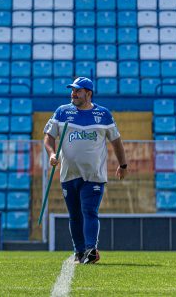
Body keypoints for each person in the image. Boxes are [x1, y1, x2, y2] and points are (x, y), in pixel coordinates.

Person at [43, 76, 128, 264]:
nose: (73, 93)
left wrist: (123, 165)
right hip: (68, 174)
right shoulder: (62, 112)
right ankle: (79, 251)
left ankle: (91, 249)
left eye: (77, 90)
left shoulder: (103, 115)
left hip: (94, 175)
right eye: (72, 90)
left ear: (88, 94)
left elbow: (116, 142)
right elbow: (48, 137)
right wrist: (51, 154)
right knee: (75, 215)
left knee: (89, 211)